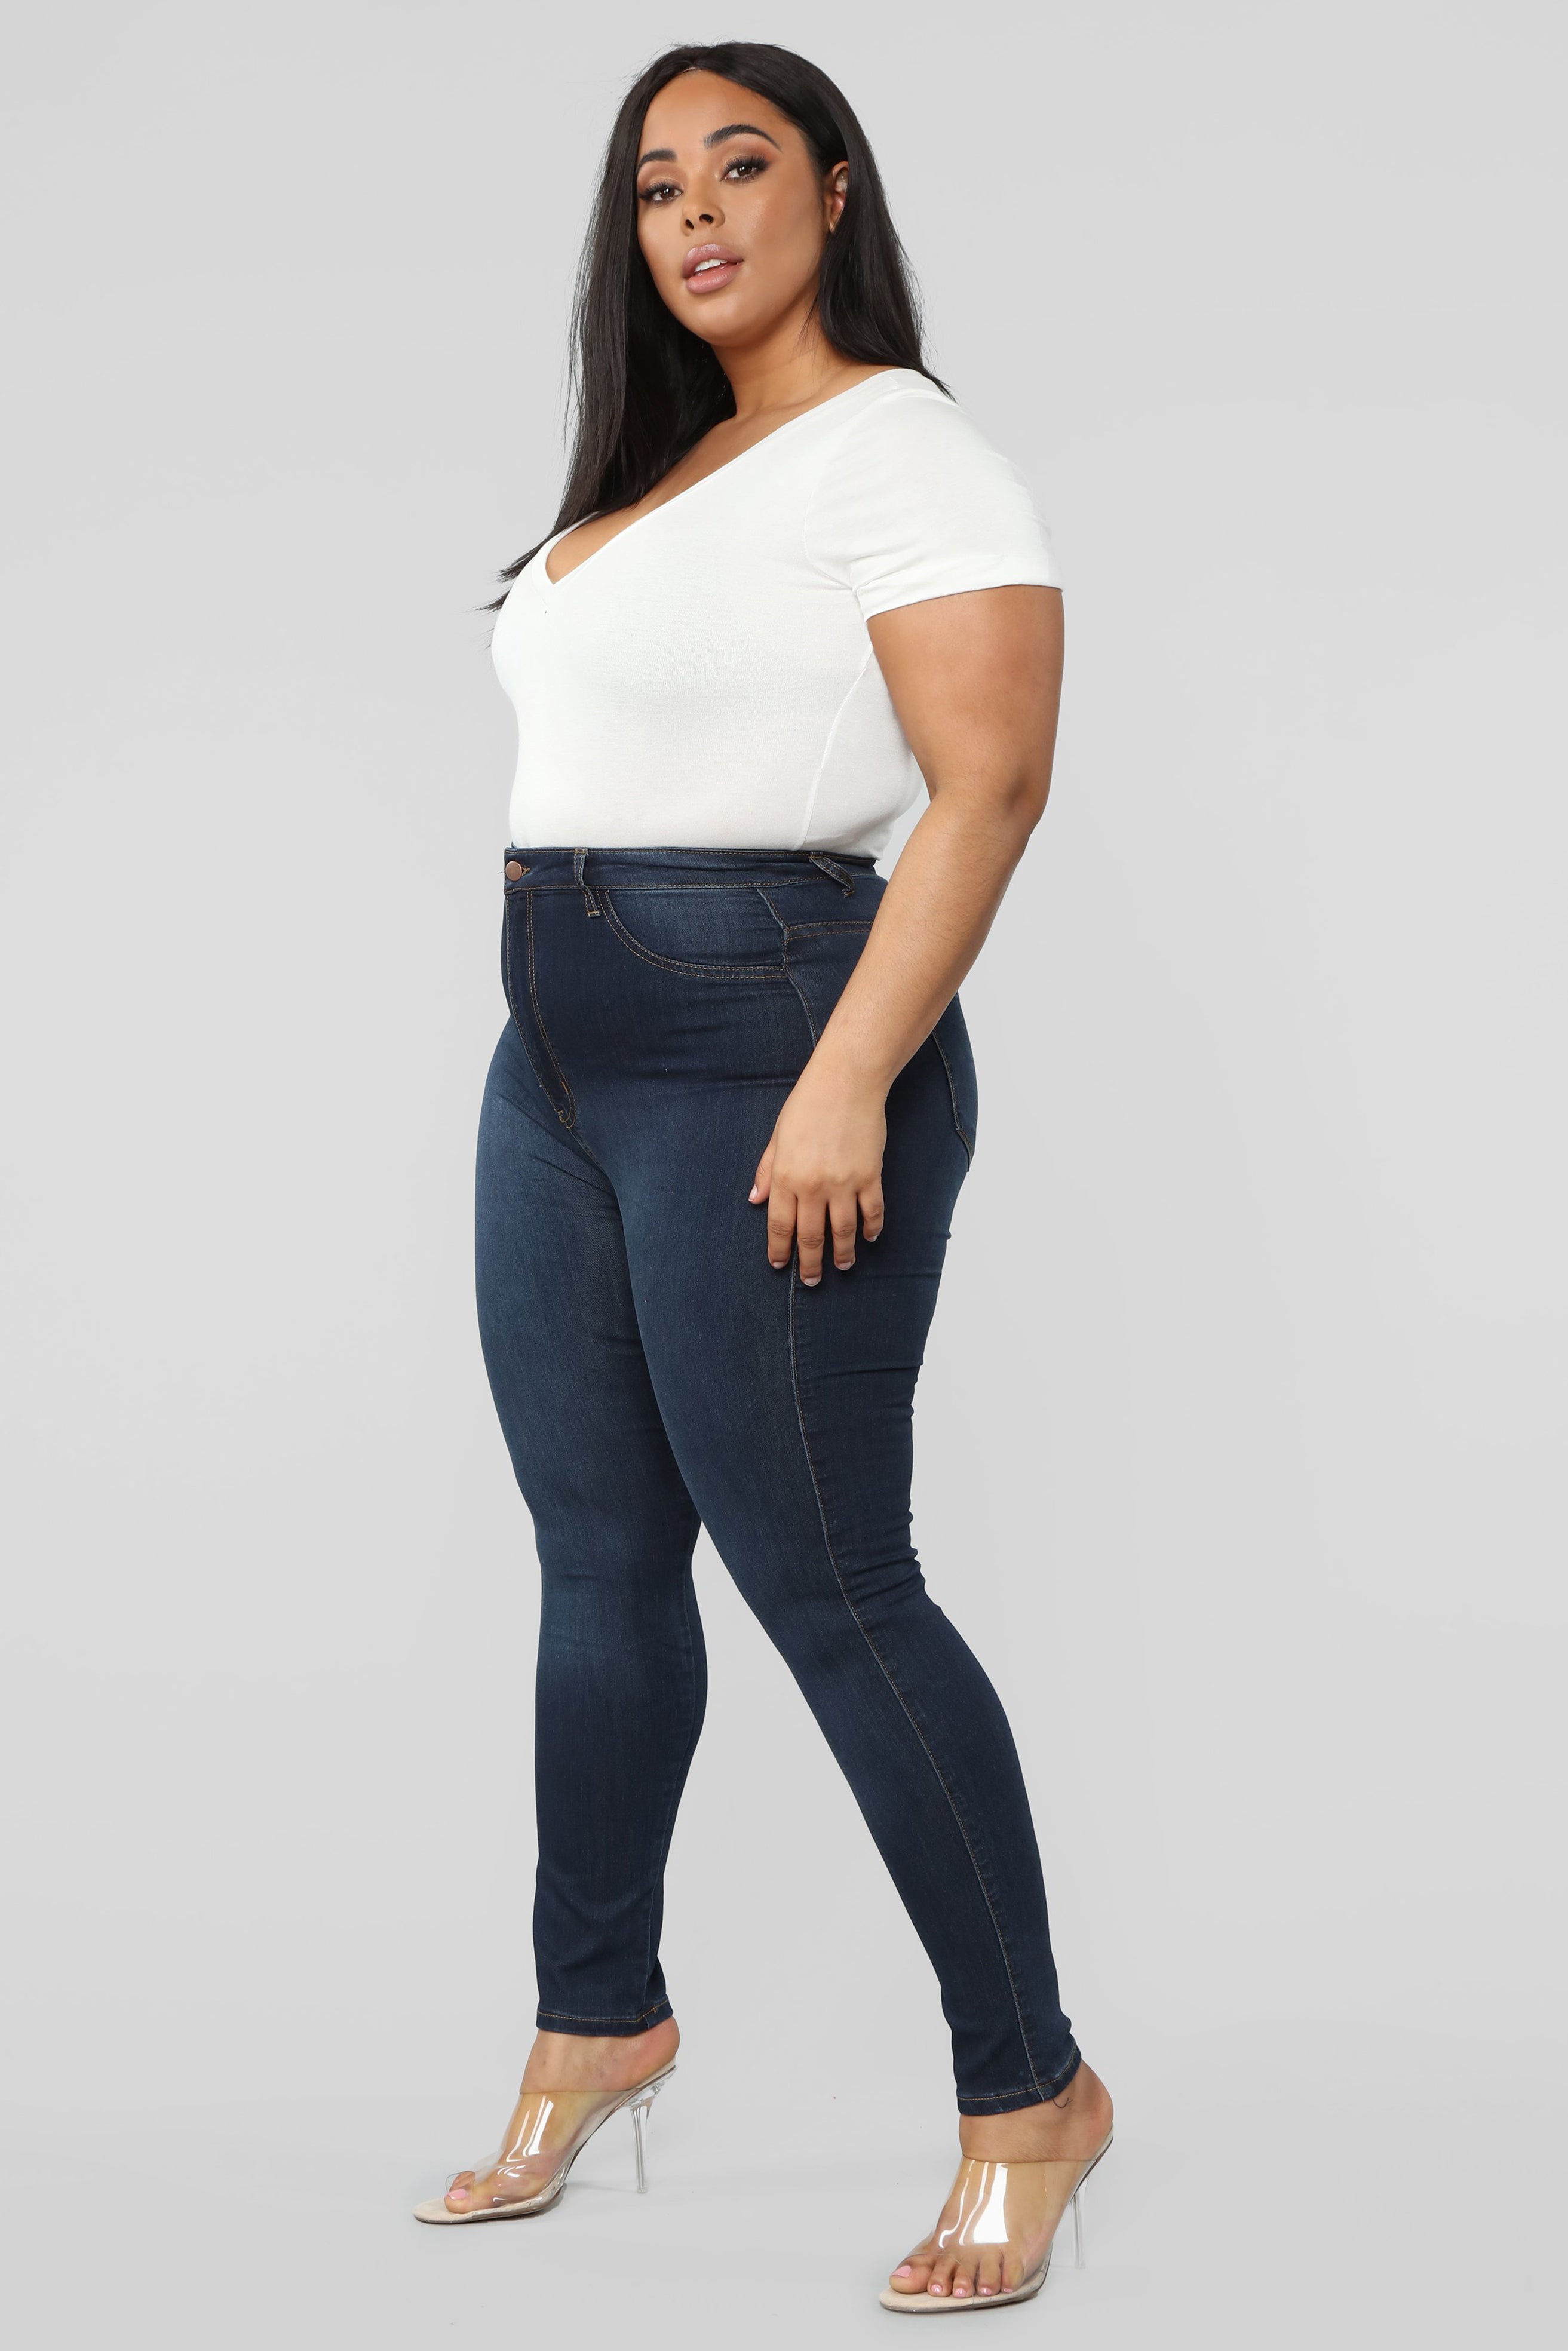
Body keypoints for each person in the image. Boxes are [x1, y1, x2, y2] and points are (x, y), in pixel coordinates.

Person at [413, 41, 1115, 2312]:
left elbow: (988, 785)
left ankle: (1028, 2094)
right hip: (560, 1061)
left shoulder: (903, 449)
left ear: (834, 190)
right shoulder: (668, 468)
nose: (695, 214)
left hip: (770, 1048)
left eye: (739, 166)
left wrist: (843, 1084)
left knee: (834, 1586)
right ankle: (595, 2019)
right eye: (655, 185)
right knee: (601, 1567)